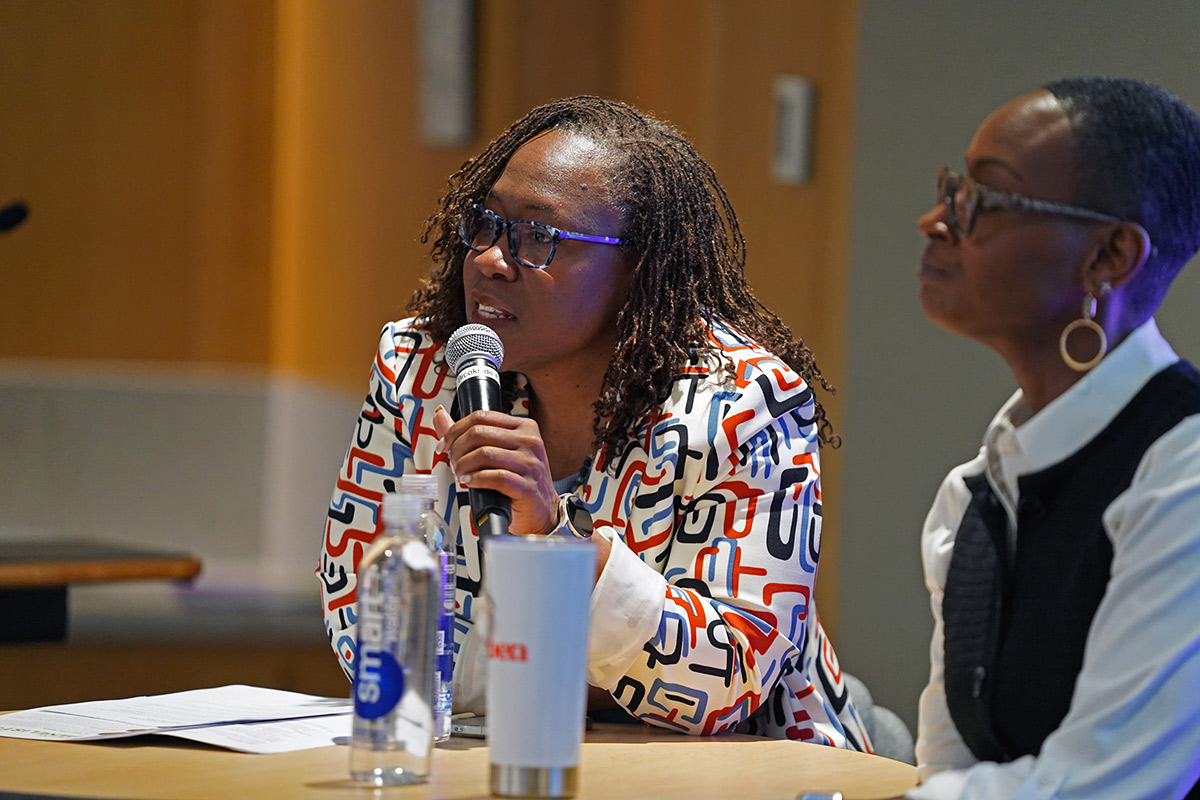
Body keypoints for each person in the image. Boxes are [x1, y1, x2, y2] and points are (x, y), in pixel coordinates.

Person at [318, 95, 870, 748]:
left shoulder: (742, 405)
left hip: (739, 770)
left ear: (637, 267)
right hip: (482, 752)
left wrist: (557, 540)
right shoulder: (420, 370)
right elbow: (360, 611)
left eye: (538, 237)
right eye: (486, 223)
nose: (491, 258)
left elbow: (733, 677)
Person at [910, 76, 1200, 799]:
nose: (935, 221)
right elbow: (951, 771)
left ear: (1108, 257)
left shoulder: (1185, 476)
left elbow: (1105, 787)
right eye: (952, 191)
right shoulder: (971, 499)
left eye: (982, 200)